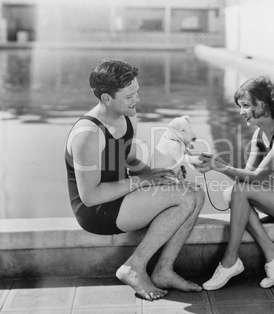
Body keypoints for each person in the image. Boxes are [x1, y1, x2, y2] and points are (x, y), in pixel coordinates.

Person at [64, 59, 205, 301]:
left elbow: (130, 160)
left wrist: (163, 174)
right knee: (185, 198)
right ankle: (134, 267)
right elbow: (90, 197)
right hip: (96, 211)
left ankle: (163, 271)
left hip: (121, 195)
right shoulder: (88, 134)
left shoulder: (128, 116)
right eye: (129, 95)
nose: (136, 99)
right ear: (107, 98)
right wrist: (144, 182)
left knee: (196, 192)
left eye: (136, 92)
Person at [196, 76, 274, 290]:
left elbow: (256, 178)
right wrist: (215, 162)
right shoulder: (260, 133)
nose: (241, 112)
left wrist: (218, 166)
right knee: (231, 194)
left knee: (238, 192)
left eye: (246, 106)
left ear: (263, 105)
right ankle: (271, 253)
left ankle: (230, 261)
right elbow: (246, 175)